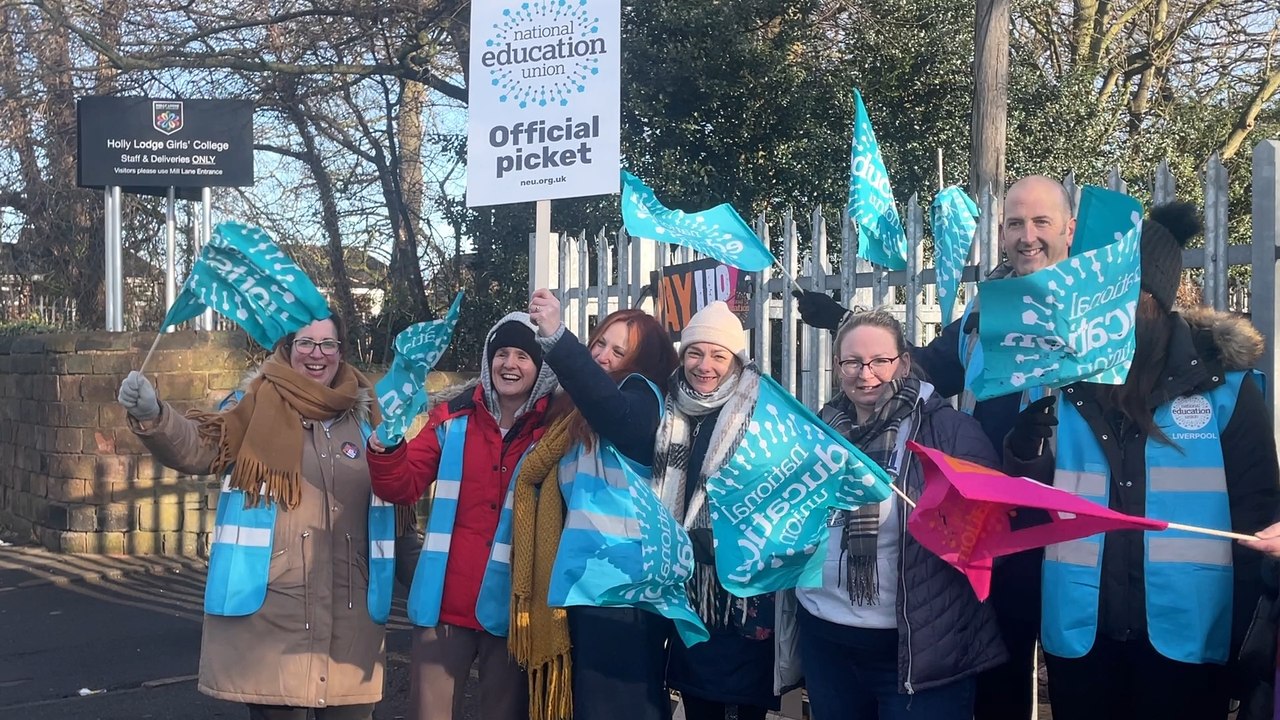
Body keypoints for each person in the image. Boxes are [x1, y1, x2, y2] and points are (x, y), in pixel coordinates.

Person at [793, 174, 1076, 719]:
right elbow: (921, 368)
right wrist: (847, 323)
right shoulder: (983, 313)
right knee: (999, 684)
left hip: (1078, 523)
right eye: (1015, 223)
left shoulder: (1099, 308)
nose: (1027, 236)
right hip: (998, 516)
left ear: (1068, 228)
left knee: (1080, 686)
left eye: (1041, 221)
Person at [1003, 202, 1280, 720]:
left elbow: (1258, 521)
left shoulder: (1225, 389)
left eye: (1115, 294)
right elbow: (1031, 508)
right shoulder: (1054, 380)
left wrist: (1244, 647)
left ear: (1153, 299)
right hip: (1082, 635)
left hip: (1189, 639)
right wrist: (1022, 454)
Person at [116, 312, 410, 720]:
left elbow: (397, 506)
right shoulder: (252, 404)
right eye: (305, 343)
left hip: (352, 617)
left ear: (341, 351)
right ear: (287, 348)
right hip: (273, 610)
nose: (317, 354)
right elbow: (200, 448)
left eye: (328, 344)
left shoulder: (367, 416)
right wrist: (154, 415)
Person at [781, 308, 1007, 719]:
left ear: (903, 363)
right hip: (827, 641)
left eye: (879, 361)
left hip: (920, 651)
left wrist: (949, 526)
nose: (865, 374)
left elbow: (994, 530)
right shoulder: (819, 430)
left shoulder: (949, 431)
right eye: (852, 362)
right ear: (837, 366)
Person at [365, 313, 558, 720]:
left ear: (540, 367)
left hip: (516, 610)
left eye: (522, 355)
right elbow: (402, 486)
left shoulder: (556, 429)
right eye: (501, 353)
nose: (509, 364)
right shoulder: (451, 420)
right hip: (444, 605)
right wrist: (387, 450)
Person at [512, 289, 680, 720]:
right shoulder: (575, 418)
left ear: (643, 365)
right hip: (583, 587)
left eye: (619, 352)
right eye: (599, 343)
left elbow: (615, 413)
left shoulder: (643, 400)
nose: (603, 356)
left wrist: (556, 338)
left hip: (624, 594)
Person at [651, 301, 779, 720]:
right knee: (698, 701)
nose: (704, 365)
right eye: (695, 353)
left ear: (736, 361)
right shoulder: (671, 409)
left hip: (741, 591)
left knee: (742, 706)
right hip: (688, 584)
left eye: (718, 355)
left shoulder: (762, 411)